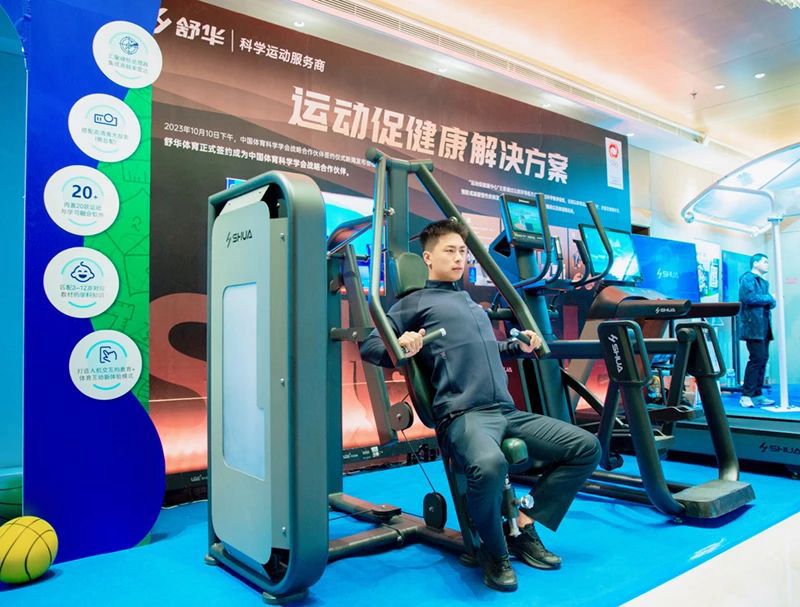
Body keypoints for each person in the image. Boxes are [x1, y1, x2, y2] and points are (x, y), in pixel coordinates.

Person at [360, 219, 601, 592]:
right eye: (450, 251)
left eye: (462, 251)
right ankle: (493, 548)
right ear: (428, 258)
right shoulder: (414, 303)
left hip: (505, 411)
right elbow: (370, 345)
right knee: (489, 465)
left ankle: (524, 523)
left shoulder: (470, 302)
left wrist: (517, 346)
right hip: (465, 415)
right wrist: (401, 345)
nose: (459, 258)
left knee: (585, 446)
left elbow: (488, 351)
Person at [737, 253, 776, 408]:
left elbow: (771, 304)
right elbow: (749, 298)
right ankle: (746, 395)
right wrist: (770, 298)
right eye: (764, 262)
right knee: (756, 359)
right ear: (755, 263)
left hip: (764, 326)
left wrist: (770, 299)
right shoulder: (747, 278)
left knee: (763, 359)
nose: (767, 264)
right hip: (753, 327)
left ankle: (757, 394)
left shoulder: (764, 283)